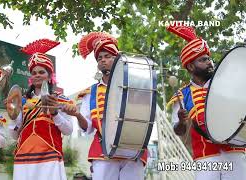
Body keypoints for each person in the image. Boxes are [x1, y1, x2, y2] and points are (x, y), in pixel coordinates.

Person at [64, 32, 148, 180]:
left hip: (133, 147)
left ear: (117, 59)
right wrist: (77, 115)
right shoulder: (90, 93)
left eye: (108, 56)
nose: (103, 60)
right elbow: (87, 127)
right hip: (102, 150)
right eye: (100, 58)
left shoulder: (135, 85)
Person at [167, 25, 246, 180]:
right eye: (203, 60)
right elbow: (178, 130)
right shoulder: (182, 95)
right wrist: (182, 122)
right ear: (190, 66)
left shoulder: (227, 85)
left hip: (234, 152)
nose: (210, 63)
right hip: (205, 156)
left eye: (209, 58)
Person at [8, 39, 75, 180]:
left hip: (49, 157)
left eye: (41, 72)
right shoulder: (23, 102)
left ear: (50, 76)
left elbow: (68, 130)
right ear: (31, 78)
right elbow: (14, 135)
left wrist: (54, 113)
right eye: (34, 72)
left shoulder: (60, 99)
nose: (37, 75)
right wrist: (13, 115)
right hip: (24, 158)